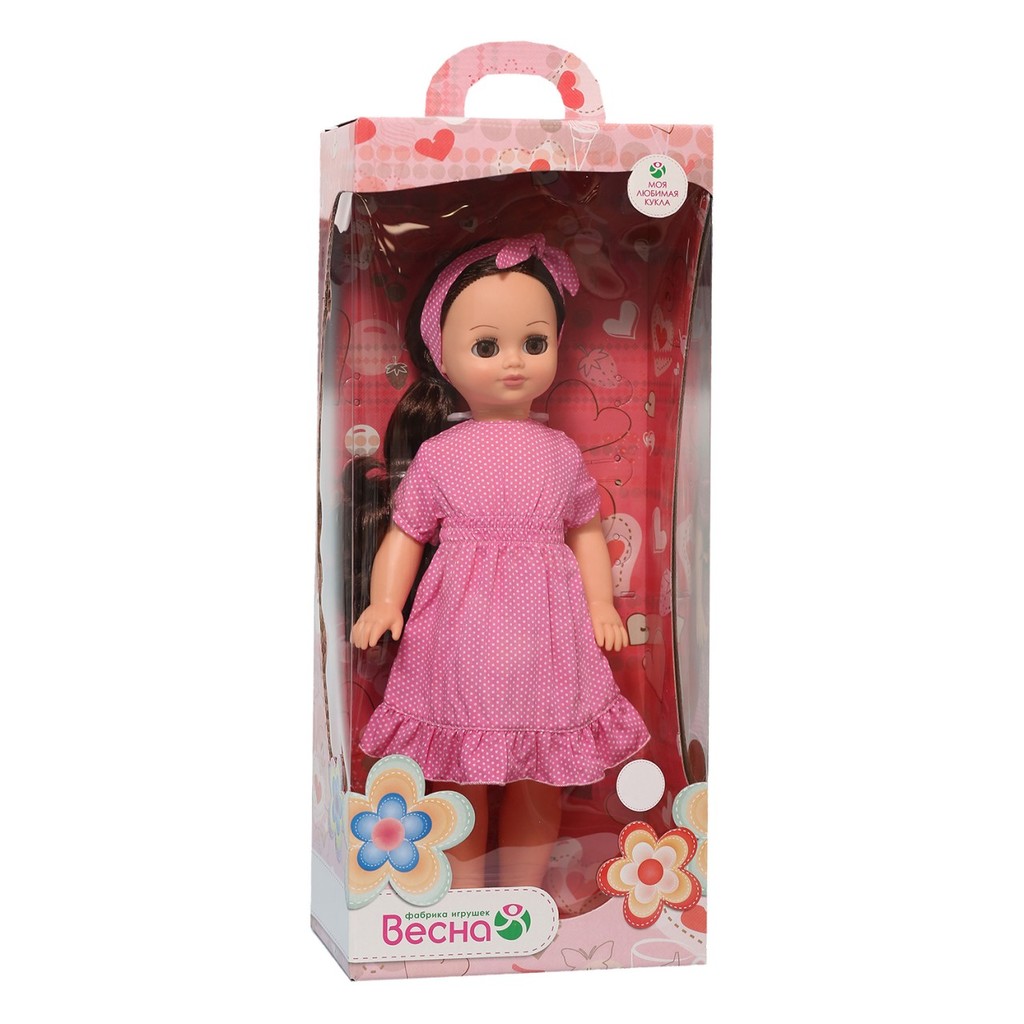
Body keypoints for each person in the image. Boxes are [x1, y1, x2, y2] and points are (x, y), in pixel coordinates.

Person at [350, 234, 650, 889]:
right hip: (460, 637)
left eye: (534, 343)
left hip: (548, 639)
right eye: (487, 347)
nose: (513, 362)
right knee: (460, 773)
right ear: (443, 355)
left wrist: (602, 604)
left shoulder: (561, 452)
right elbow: (406, 533)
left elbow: (586, 531)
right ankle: (464, 899)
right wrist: (385, 602)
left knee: (542, 774)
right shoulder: (439, 454)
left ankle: (521, 895)